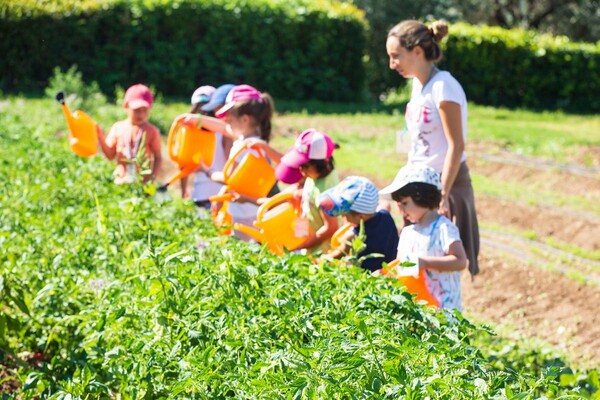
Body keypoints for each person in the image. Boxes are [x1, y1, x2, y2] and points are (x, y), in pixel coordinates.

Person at [386, 20, 480, 277]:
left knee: (442, 262)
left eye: (396, 56)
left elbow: (456, 144)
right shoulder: (418, 86)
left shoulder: (443, 87)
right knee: (417, 263)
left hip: (442, 184)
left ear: (417, 51)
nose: (392, 64)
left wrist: (442, 194)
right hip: (419, 183)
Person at [179, 84, 280, 239]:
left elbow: (229, 178)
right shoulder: (250, 139)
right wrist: (197, 119)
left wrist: (207, 171)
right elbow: (225, 129)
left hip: (246, 212)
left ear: (245, 119)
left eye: (229, 117)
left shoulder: (246, 147)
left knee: (245, 251)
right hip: (246, 209)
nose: (225, 121)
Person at [380, 164, 467, 311]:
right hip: (416, 308)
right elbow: (402, 264)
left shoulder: (443, 228)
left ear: (422, 196)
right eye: (398, 204)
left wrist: (425, 262)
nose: (400, 209)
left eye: (405, 203)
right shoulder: (407, 233)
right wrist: (385, 273)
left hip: (443, 308)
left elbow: (460, 261)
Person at [275, 129, 339, 252]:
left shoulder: (326, 193)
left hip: (323, 252)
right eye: (299, 166)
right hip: (311, 244)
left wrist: (301, 246)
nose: (301, 171)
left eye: (305, 166)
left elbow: (331, 228)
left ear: (324, 161)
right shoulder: (315, 176)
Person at [318, 176, 399, 272]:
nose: (343, 217)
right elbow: (385, 204)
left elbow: (338, 254)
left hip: (370, 278)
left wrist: (324, 258)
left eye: (345, 214)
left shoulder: (353, 236)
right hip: (391, 270)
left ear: (361, 217)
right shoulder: (385, 215)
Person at [180, 85, 234, 219]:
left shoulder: (189, 132)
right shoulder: (223, 132)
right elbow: (230, 163)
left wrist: (183, 191)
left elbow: (183, 165)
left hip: (200, 193)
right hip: (221, 193)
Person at [97, 84, 162, 185]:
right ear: (126, 107)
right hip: (120, 183)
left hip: (142, 184)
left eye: (144, 110)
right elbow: (110, 155)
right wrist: (100, 136)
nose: (140, 114)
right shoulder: (118, 128)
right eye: (136, 110)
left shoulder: (152, 131)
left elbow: (158, 157)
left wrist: (151, 179)